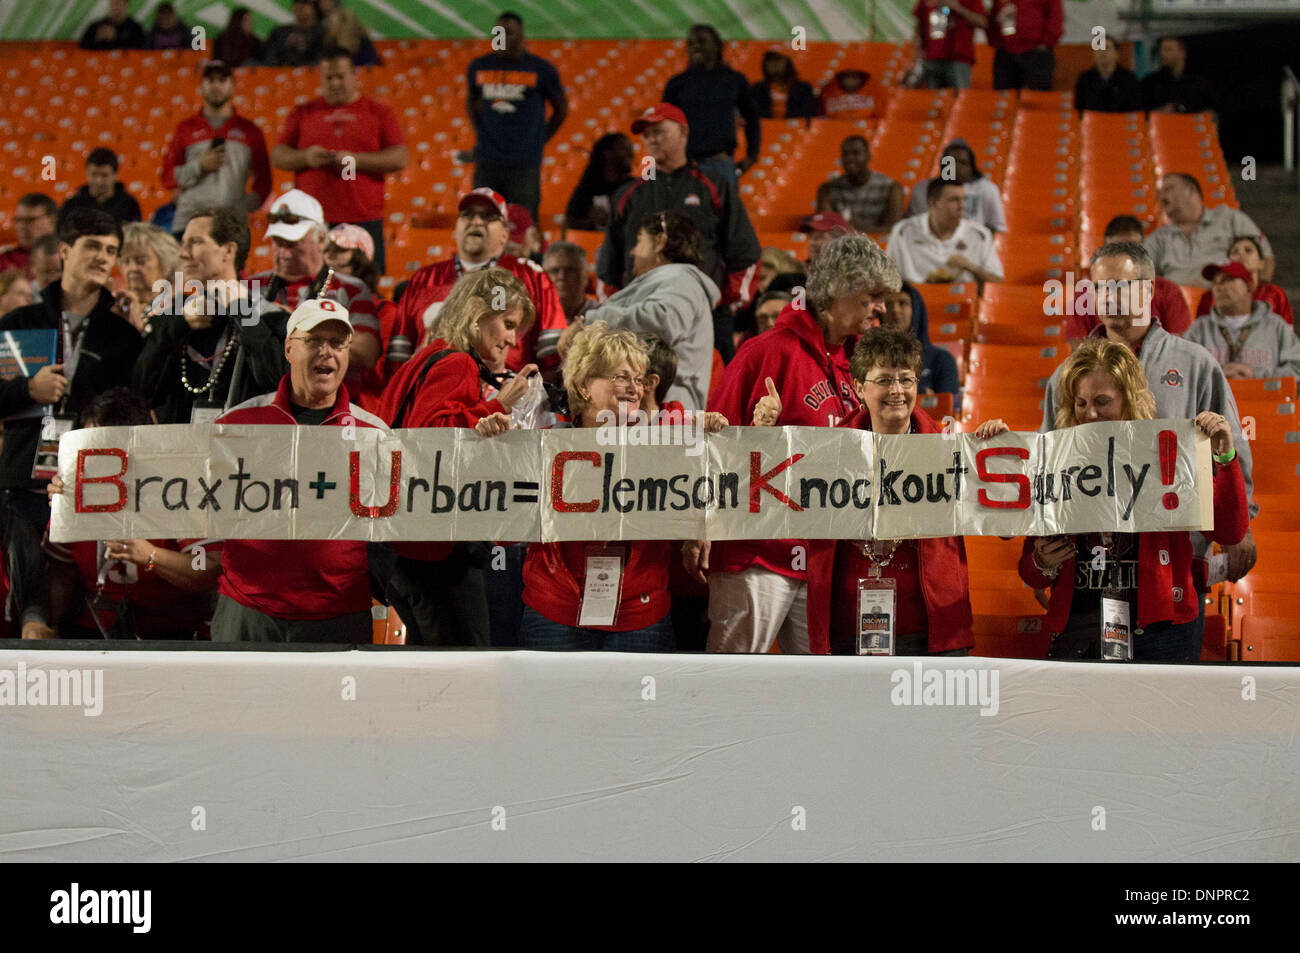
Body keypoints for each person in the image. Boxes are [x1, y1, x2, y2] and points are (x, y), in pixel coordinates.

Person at [692, 234, 900, 655]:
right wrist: (699, 528)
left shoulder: (858, 363)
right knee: (736, 685)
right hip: (755, 554)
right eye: (872, 296)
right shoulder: (765, 353)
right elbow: (711, 445)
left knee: (817, 690)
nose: (882, 308)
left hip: (823, 557)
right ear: (840, 288)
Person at [1040, 241, 1257, 643]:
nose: (1107, 298)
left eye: (1119, 286)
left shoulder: (1195, 365)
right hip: (1093, 568)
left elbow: (1231, 450)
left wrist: (1242, 527)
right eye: (1099, 288)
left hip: (1174, 564)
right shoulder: (1067, 374)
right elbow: (1048, 463)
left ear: (1149, 289)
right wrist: (1044, 553)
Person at [482, 321, 725, 651]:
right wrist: (491, 448)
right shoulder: (544, 443)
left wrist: (702, 526)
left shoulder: (667, 441)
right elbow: (504, 528)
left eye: (639, 379)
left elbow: (712, 480)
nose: (634, 388)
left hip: (641, 616)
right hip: (555, 614)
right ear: (583, 386)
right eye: (621, 376)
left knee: (637, 706)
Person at [1023, 339, 1247, 661]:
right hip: (1080, 632)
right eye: (1081, 402)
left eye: (1102, 401)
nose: (1090, 413)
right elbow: (1028, 571)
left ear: (1130, 401)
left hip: (1162, 633)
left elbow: (1229, 531)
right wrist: (1042, 563)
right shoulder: (1058, 462)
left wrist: (1225, 456)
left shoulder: (1168, 455)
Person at [375, 269, 538, 647]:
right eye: (508, 323)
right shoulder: (458, 363)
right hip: (435, 549)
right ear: (478, 312)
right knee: (466, 667)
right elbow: (432, 437)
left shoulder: (422, 359)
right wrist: (499, 404)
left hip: (401, 546)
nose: (513, 340)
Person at [0, 209, 142, 639]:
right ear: (64, 251)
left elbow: (132, 413)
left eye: (111, 250)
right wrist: (28, 390)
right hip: (25, 476)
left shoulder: (123, 337)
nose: (104, 257)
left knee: (80, 586)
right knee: (28, 574)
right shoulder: (19, 324)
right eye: (93, 247)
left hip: (94, 479)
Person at [212, 297, 385, 642]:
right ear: (289, 349)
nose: (326, 352)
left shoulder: (376, 435)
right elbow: (177, 489)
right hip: (247, 611)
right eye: (314, 341)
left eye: (337, 343)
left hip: (339, 615)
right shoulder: (236, 424)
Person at [832, 327, 979, 655]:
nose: (897, 390)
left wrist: (997, 447)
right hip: (846, 628)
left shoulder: (951, 447)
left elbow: (999, 520)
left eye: (906, 379)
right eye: (884, 380)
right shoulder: (827, 450)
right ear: (859, 387)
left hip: (933, 632)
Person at [41, 388, 222, 640]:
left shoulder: (180, 489)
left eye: (105, 447)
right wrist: (50, 627)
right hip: (94, 632)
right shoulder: (75, 488)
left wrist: (149, 556)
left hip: (170, 635)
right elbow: (61, 571)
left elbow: (206, 567)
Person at [599, 103, 760, 313]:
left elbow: (745, 253)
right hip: (641, 318)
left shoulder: (714, 187)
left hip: (704, 315)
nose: (652, 140)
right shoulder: (627, 196)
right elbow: (608, 268)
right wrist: (622, 312)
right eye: (646, 135)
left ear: (683, 132)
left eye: (658, 131)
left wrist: (721, 306)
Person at [387, 188, 566, 378]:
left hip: (508, 391)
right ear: (455, 229)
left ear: (505, 234)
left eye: (488, 216)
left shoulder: (531, 276)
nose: (476, 221)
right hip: (431, 385)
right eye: (468, 215)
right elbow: (398, 357)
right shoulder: (424, 278)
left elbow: (552, 356)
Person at [132, 207, 284, 425]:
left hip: (244, 450)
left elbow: (278, 383)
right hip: (179, 450)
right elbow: (141, 391)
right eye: (183, 243)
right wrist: (179, 323)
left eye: (195, 242)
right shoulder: (172, 312)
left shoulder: (268, 314)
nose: (183, 253)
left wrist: (242, 312)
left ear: (228, 251)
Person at [272, 48, 407, 273]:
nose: (335, 83)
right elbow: (278, 155)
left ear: (354, 75)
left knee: (364, 291)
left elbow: (400, 157)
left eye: (340, 76)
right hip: (312, 220)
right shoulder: (303, 112)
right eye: (328, 77)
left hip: (362, 218)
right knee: (311, 291)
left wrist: (355, 160)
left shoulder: (378, 112)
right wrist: (306, 157)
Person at [576, 211, 717, 409]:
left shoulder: (681, 280)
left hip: (667, 413)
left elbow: (660, 323)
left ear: (660, 241)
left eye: (640, 241)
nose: (633, 251)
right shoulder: (671, 281)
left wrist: (591, 321)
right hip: (654, 412)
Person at [246, 189, 382, 390]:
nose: (283, 253)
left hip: (329, 403)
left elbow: (366, 353)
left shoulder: (352, 288)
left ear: (321, 240)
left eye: (292, 244)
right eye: (278, 242)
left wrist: (286, 324)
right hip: (261, 397)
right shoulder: (250, 286)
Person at [466, 11, 567, 223]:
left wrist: (540, 138)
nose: (502, 38)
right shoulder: (479, 67)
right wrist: (481, 131)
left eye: (509, 33)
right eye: (497, 33)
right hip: (487, 162)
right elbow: (472, 101)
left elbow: (561, 109)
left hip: (524, 165)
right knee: (483, 222)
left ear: (522, 37)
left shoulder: (541, 69)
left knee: (522, 225)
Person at [162, 59, 272, 237]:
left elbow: (264, 182)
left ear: (232, 85)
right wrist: (200, 166)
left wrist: (241, 207)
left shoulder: (250, 131)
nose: (216, 86)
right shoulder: (185, 128)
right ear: (202, 85)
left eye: (222, 80)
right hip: (188, 221)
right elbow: (167, 177)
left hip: (230, 225)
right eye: (210, 80)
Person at [1066, 214, 1191, 339]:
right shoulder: (1084, 294)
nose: (1125, 259)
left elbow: (1178, 346)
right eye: (1116, 251)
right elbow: (1077, 348)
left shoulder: (1168, 290)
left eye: (1133, 251)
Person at [1145, 173, 1273, 286]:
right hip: (1175, 306)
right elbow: (1139, 271)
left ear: (1190, 190)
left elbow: (1266, 258)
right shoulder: (1158, 238)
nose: (1161, 197)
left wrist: (1257, 295)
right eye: (1159, 193)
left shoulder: (1230, 219)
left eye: (1168, 189)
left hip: (1224, 302)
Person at [663, 24, 760, 171]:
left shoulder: (734, 80)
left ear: (716, 46)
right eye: (691, 43)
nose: (695, 47)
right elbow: (663, 124)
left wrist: (752, 155)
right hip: (685, 165)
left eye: (701, 41)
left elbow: (752, 118)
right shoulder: (676, 83)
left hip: (721, 163)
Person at [323, 223, 399, 410]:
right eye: (327, 249)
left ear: (361, 259)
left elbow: (369, 361)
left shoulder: (385, 311)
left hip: (363, 406)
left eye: (340, 250)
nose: (329, 256)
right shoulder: (315, 300)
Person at [1184, 262, 1300, 381]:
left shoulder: (1275, 325)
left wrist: (1255, 375)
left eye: (1226, 280)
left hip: (1263, 398)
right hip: (1214, 398)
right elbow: (1182, 369)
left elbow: (1297, 369)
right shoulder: (1199, 328)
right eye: (1214, 283)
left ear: (1249, 286)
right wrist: (1215, 375)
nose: (1218, 287)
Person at [887, 180, 1003, 287]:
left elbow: (997, 283)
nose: (961, 206)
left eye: (964, 199)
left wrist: (971, 267)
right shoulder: (903, 231)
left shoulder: (980, 235)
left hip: (962, 301)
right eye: (954, 200)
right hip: (915, 302)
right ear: (933, 202)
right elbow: (886, 279)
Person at [881, 284, 961, 411]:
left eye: (903, 303)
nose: (895, 310)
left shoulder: (942, 360)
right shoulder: (872, 360)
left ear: (916, 310)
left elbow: (946, 413)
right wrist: (922, 392)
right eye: (888, 305)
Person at [905, 138, 1006, 233]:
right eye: (951, 162)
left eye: (962, 162)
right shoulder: (922, 189)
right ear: (942, 165)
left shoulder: (987, 189)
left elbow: (995, 227)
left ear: (971, 167)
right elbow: (913, 226)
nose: (956, 167)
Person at [1194, 235, 1292, 325]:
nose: (1241, 255)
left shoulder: (1275, 294)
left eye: (1248, 250)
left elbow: (1286, 333)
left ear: (1261, 263)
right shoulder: (1210, 297)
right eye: (1235, 252)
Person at [816, 136, 905, 232]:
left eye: (856, 153)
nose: (850, 159)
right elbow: (826, 228)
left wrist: (858, 231)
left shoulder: (891, 187)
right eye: (845, 154)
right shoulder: (827, 189)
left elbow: (894, 229)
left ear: (869, 156)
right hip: (841, 245)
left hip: (880, 245)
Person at [563, 132, 635, 231]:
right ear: (607, 153)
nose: (631, 154)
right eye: (624, 149)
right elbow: (569, 225)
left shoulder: (635, 187)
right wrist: (589, 221)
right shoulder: (586, 189)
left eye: (630, 149)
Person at [118, 223, 180, 334]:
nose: (132, 268)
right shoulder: (118, 310)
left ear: (166, 265)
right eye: (126, 261)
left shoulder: (177, 312)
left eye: (140, 261)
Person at [988, 0, 1063, 92]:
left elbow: (1055, 18)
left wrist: (1045, 44)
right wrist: (996, 40)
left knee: (1036, 99)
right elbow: (994, 16)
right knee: (1004, 97)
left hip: (1036, 53)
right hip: (1005, 52)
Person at [913, 0, 987, 91]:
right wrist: (917, 60)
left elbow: (982, 22)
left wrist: (959, 9)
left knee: (960, 99)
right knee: (933, 101)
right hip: (932, 59)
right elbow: (918, 29)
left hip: (959, 59)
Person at [57, 149, 141, 228]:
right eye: (94, 174)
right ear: (87, 173)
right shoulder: (72, 205)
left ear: (115, 175)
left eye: (104, 175)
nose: (99, 181)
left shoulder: (129, 205)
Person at [1142, 36, 1215, 115]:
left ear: (1183, 52)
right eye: (1160, 50)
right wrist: (1160, 110)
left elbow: (1212, 109)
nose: (1162, 54)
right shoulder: (1151, 82)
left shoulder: (1199, 82)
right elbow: (1143, 111)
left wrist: (1182, 108)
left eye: (1168, 49)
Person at [1073, 36, 1141, 114]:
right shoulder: (1085, 79)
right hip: (1093, 123)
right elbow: (1080, 109)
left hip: (1121, 123)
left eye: (1107, 48)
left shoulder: (1129, 79)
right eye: (1098, 48)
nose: (1102, 52)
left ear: (1117, 54)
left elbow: (1135, 109)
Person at [0, 194, 58, 279]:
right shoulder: (5, 262)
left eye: (30, 220)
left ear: (52, 221)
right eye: (18, 220)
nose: (22, 226)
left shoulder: (69, 256)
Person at [749, 51, 817, 120]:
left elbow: (808, 113)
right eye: (770, 61)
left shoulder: (803, 88)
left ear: (787, 62)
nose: (774, 64)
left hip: (795, 128)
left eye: (778, 60)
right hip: (766, 128)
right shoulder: (756, 89)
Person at [542, 241, 594, 323]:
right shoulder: (533, 317)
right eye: (554, 271)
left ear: (585, 276)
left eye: (570, 270)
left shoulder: (604, 318)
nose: (562, 276)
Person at [263, 0, 324, 67]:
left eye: (305, 4)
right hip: (280, 73)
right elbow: (270, 57)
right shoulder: (279, 32)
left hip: (308, 73)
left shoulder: (321, 33)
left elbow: (320, 60)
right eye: (297, 3)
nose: (300, 7)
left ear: (314, 8)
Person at [80, 0, 146, 50]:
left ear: (126, 5)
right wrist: (98, 39)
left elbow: (141, 49)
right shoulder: (96, 27)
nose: (116, 7)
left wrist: (115, 39)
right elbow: (83, 46)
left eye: (119, 4)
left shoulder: (135, 28)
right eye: (114, 3)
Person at [817, 68, 883, 119]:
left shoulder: (875, 92)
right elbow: (821, 118)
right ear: (840, 78)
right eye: (847, 76)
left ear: (862, 79)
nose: (850, 79)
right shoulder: (827, 92)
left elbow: (881, 118)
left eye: (854, 76)